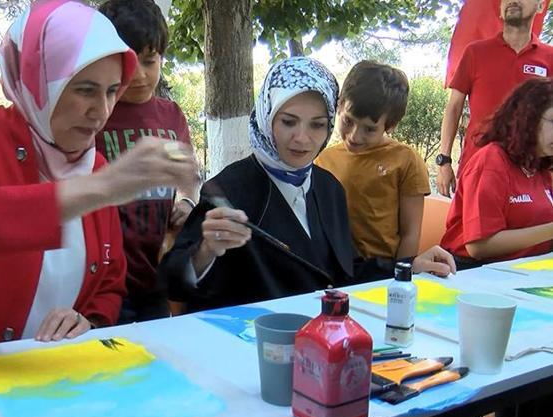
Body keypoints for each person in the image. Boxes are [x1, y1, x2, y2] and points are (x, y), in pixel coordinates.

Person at [0, 0, 198, 358]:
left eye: (111, 91)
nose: (102, 111)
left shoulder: (96, 167)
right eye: (84, 89)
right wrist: (97, 189)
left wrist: (87, 321)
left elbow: (109, 284)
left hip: (37, 384)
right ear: (39, 80)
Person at [158, 57, 455, 313]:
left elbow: (346, 271)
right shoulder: (227, 192)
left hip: (322, 343)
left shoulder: (328, 188)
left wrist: (409, 267)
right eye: (288, 122)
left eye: (316, 124)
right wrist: (206, 251)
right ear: (266, 116)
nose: (302, 138)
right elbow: (173, 283)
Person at [96, 0, 199, 323]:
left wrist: (186, 202)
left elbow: (188, 180)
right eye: (128, 63)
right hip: (107, 281)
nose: (140, 75)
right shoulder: (95, 114)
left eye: (149, 61)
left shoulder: (171, 116)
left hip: (157, 276)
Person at [315, 61, 430, 281]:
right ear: (339, 106)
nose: (355, 136)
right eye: (348, 121)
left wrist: (399, 278)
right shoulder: (323, 159)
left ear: (391, 125)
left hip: (383, 272)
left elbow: (410, 233)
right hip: (335, 272)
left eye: (369, 129)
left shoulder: (406, 160)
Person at [436, 0, 553, 197]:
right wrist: (444, 160)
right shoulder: (475, 52)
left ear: (541, 6)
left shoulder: (549, 57)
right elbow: (454, 108)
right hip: (477, 167)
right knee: (468, 228)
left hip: (531, 170)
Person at [441, 78, 553, 265]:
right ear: (528, 117)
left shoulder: (542, 167)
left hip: (526, 272)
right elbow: (479, 246)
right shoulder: (491, 162)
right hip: (472, 273)